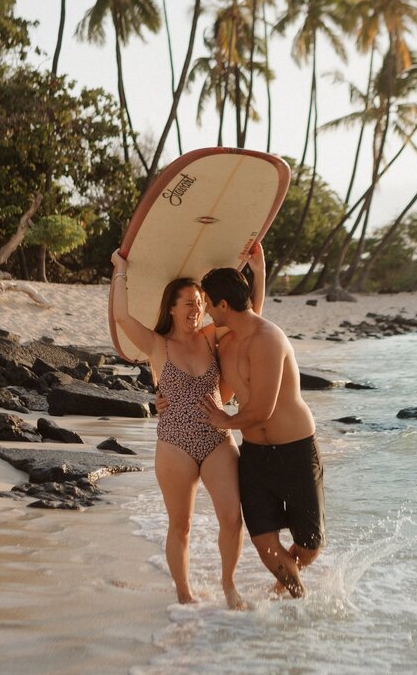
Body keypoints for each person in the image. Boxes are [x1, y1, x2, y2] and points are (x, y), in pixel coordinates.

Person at [109, 245, 266, 610]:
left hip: (217, 438)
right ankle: (184, 593)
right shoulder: (156, 344)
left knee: (231, 517)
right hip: (175, 444)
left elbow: (251, 316)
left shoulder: (211, 336)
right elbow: (121, 316)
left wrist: (258, 271)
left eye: (200, 302)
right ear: (171, 309)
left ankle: (228, 585)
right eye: (189, 303)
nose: (197, 309)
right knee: (180, 525)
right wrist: (120, 268)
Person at [198, 266, 325, 598]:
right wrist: (171, 400)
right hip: (254, 455)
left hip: (295, 449)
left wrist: (225, 421)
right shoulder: (225, 346)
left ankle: (283, 592)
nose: (206, 311)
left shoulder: (269, 337)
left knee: (310, 546)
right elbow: (220, 396)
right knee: (264, 543)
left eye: (209, 304)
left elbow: (263, 408)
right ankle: (298, 602)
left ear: (223, 305)